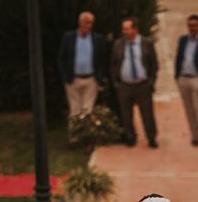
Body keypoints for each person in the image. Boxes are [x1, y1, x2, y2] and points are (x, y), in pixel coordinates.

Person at [111, 17, 159, 148]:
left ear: (135, 29)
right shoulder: (118, 44)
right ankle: (130, 137)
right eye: (123, 29)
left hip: (143, 85)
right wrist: (116, 82)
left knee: (147, 113)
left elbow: (153, 64)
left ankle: (151, 137)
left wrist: (151, 81)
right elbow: (113, 64)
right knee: (126, 114)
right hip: (125, 85)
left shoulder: (146, 43)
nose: (124, 31)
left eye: (127, 29)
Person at [174, 14, 198, 147]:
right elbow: (179, 57)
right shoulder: (183, 40)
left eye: (194, 25)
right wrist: (177, 75)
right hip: (184, 78)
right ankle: (196, 136)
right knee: (189, 109)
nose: (192, 28)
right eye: (190, 25)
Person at [57, 11, 106, 117]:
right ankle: (75, 133)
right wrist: (65, 77)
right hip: (73, 79)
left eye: (91, 23)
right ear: (80, 22)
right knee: (74, 110)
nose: (89, 26)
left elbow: (102, 59)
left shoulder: (97, 39)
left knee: (88, 111)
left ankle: (86, 133)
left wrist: (99, 77)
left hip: (91, 79)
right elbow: (62, 58)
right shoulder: (69, 37)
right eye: (87, 23)